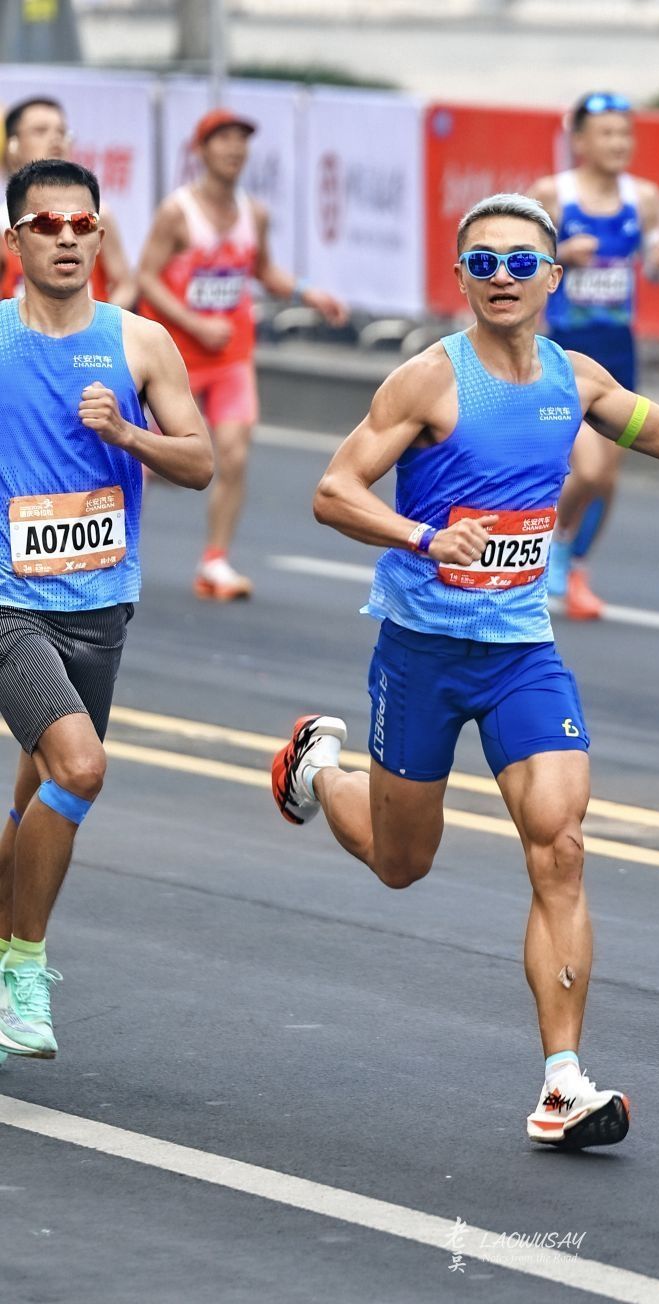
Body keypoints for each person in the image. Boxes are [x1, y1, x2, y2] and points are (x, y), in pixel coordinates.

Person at [269, 193, 659, 1148]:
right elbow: (332, 491)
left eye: (521, 262)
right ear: (460, 278)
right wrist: (423, 536)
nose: (502, 276)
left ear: (552, 278)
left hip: (520, 652)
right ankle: (317, 768)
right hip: (421, 651)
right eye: (483, 262)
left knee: (560, 843)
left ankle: (563, 1084)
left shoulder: (577, 380)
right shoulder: (427, 380)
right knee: (402, 864)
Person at [0, 159, 213, 1065]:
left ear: (98, 234)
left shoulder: (141, 342)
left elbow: (200, 462)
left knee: (36, 796)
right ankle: (24, 969)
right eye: (46, 224)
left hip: (100, 605)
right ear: (15, 241)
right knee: (81, 769)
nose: (67, 238)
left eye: (81, 224)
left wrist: (127, 432)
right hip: (9, 604)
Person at [138, 108, 348, 602]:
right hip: (176, 358)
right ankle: (115, 554)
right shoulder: (177, 213)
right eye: (223, 139)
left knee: (233, 454)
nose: (234, 148)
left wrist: (306, 292)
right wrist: (194, 323)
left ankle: (215, 561)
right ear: (200, 150)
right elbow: (147, 275)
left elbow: (263, 270)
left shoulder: (255, 214)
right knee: (147, 462)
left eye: (241, 140)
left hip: (231, 358)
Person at [529, 92, 659, 619]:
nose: (618, 143)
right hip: (568, 352)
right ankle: (550, 547)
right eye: (607, 133)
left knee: (607, 479)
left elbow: (657, 265)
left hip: (619, 353)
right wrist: (562, 255)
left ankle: (576, 570)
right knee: (587, 471)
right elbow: (518, 261)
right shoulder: (553, 194)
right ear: (580, 140)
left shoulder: (645, 197)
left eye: (625, 133)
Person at [1, 96, 136, 308]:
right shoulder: (2, 222)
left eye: (62, 132)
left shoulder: (99, 214)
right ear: (13, 146)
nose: (55, 139)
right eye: (40, 131)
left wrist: (99, 323)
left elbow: (126, 285)